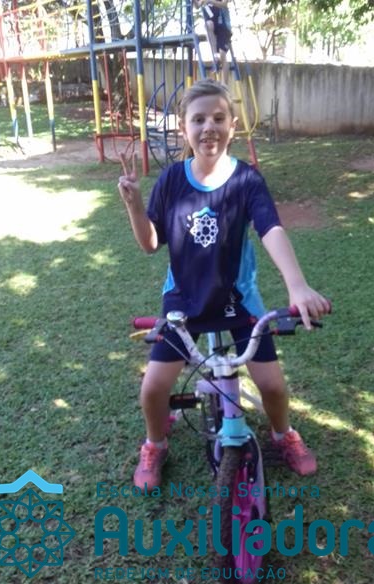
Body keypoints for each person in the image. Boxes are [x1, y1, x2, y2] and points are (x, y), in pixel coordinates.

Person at [118, 79, 330, 492]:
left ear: (233, 125)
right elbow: (150, 244)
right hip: (184, 300)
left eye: (218, 118)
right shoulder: (172, 179)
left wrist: (297, 285)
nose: (208, 127)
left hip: (238, 299)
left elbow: (270, 228)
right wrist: (134, 206)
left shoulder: (247, 180)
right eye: (198, 119)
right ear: (184, 127)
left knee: (272, 386)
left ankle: (282, 434)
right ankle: (155, 444)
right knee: (153, 388)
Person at [194, 0, 232, 83]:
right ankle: (215, 56)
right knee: (208, 25)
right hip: (212, 25)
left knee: (222, 55)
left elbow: (224, 4)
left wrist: (210, 1)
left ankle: (224, 86)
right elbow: (197, 5)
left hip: (223, 26)